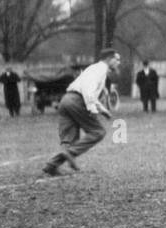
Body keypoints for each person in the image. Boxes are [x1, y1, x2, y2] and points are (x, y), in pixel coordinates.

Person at [42, 48, 122, 176]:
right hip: (77, 101)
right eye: (117, 59)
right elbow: (88, 89)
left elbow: (87, 89)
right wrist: (92, 108)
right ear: (109, 59)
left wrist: (103, 110)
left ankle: (51, 165)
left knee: (69, 139)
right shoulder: (101, 69)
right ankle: (70, 153)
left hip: (66, 100)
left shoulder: (94, 68)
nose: (119, 62)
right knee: (98, 132)